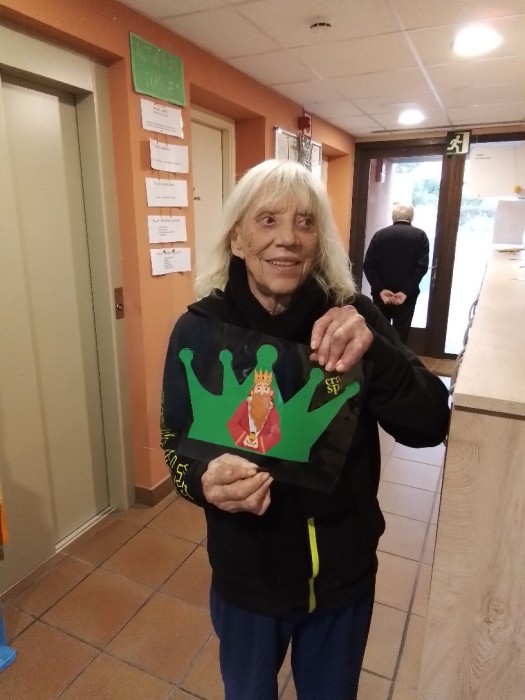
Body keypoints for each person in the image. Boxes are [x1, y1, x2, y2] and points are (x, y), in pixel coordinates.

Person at [161, 160, 449, 699]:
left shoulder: (355, 317)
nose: (288, 238)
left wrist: (376, 353)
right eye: (267, 220)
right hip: (246, 578)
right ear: (238, 239)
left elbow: (432, 423)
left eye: (305, 222)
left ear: (319, 242)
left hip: (342, 575)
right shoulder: (200, 328)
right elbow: (174, 441)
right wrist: (201, 481)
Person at [363, 203, 429, 343]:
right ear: (411, 217)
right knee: (401, 335)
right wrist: (405, 291)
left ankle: (381, 357)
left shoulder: (379, 235)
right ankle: (400, 356)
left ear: (393, 217)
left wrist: (380, 289)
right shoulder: (420, 236)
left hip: (382, 297)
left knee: (380, 334)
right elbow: (421, 267)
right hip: (407, 297)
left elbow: (369, 265)